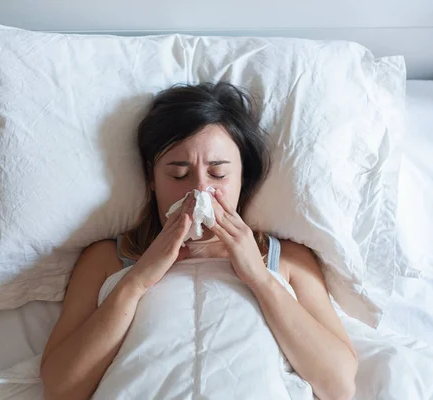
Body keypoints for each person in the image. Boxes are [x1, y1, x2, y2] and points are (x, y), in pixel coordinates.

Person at [39, 82, 358, 400]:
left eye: (218, 174)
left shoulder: (287, 259)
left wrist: (259, 278)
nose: (200, 191)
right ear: (151, 179)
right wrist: (138, 280)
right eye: (179, 174)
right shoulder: (107, 258)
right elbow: (61, 389)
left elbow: (338, 386)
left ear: (242, 176)